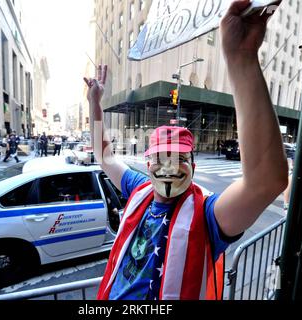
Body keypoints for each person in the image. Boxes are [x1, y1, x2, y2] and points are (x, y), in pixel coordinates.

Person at [84, 0, 287, 300]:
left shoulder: (207, 215)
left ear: (192, 163)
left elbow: (266, 182)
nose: (169, 166)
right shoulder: (138, 188)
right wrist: (94, 104)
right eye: (162, 157)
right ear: (148, 161)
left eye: (179, 157)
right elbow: (104, 156)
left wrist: (241, 58)